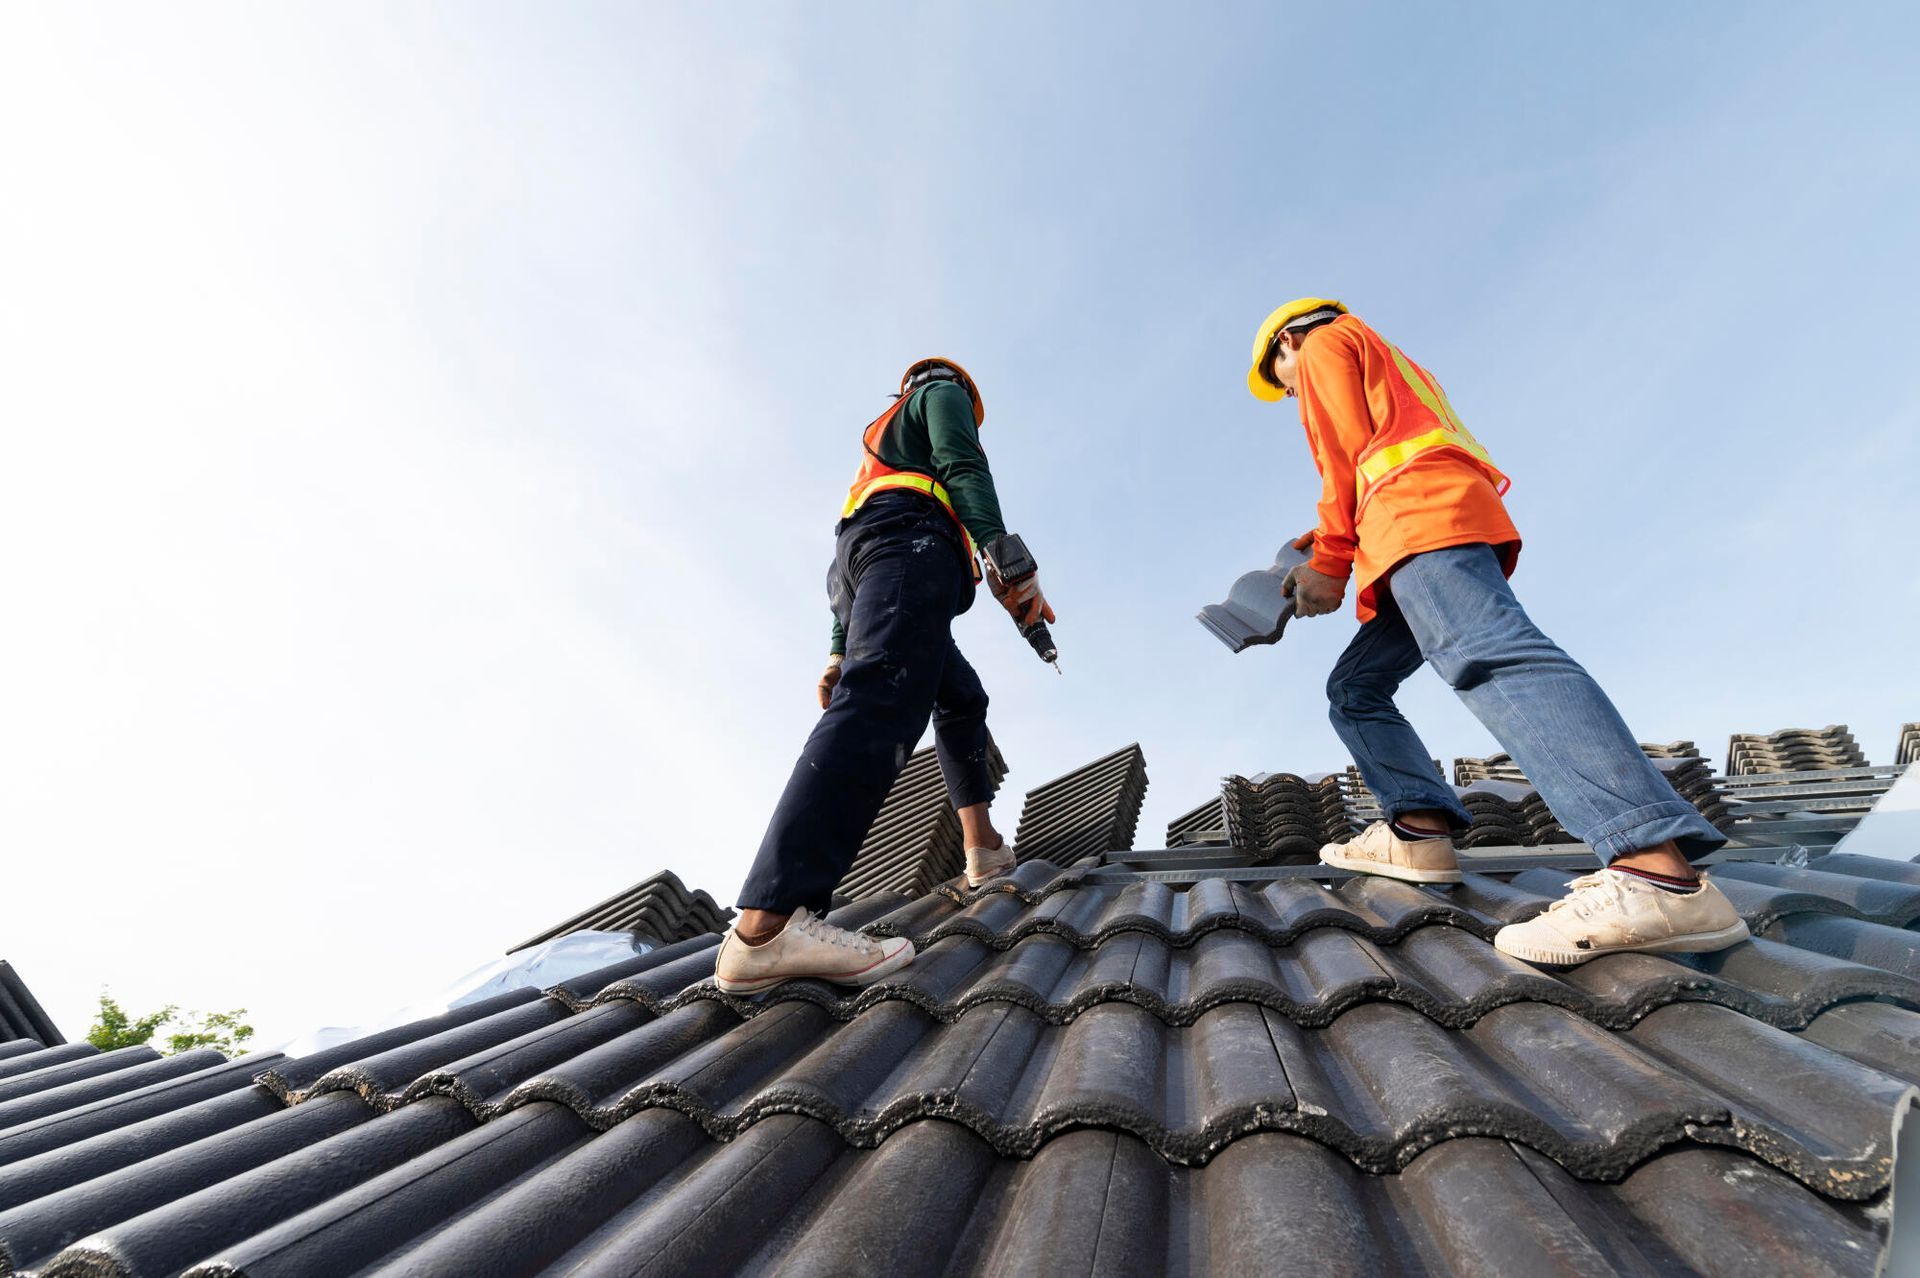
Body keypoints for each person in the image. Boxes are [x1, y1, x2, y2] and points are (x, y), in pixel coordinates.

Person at [1247, 298, 1749, 965]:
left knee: (1493, 658)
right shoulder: (1383, 358)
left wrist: (1332, 561)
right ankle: (1418, 830)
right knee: (1356, 687)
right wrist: (1320, 546)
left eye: (1282, 379)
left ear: (1285, 342)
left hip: (1417, 519)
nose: (1291, 390)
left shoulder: (1322, 346)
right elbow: (1380, 448)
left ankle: (1655, 872)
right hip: (1425, 522)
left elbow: (1345, 456)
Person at [715, 358, 1055, 994]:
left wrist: (837, 650)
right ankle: (769, 922)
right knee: (882, 698)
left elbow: (843, 572)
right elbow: (962, 464)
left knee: (960, 696)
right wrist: (1006, 558)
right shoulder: (940, 392)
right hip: (911, 545)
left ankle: (981, 848)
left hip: (873, 562)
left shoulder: (876, 452)